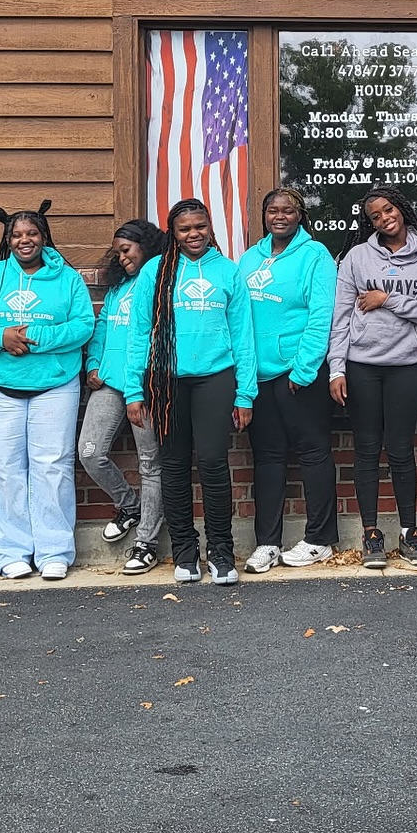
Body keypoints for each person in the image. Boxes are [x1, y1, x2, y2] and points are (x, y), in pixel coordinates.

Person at [123, 198, 257, 586]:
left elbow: (243, 337)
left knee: (214, 464)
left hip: (216, 378)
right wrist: (134, 390)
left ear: (209, 228)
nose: (193, 234)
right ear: (174, 233)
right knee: (175, 465)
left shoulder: (229, 273)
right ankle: (184, 552)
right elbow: (138, 333)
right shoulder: (154, 273)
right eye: (185, 229)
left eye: (200, 226)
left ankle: (221, 552)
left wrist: (244, 393)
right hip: (165, 381)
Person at [0, 200, 94, 581]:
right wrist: (0, 336)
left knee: (52, 467)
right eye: (16, 235)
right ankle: (11, 551)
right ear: (7, 239)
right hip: (0, 386)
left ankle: (55, 550)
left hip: (55, 385)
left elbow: (84, 325)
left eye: (31, 233)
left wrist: (36, 337)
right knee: (6, 470)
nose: (24, 240)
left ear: (44, 237)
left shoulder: (67, 278)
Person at [329, 186, 417, 571]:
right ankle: (371, 534)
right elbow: (341, 317)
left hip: (407, 366)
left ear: (402, 208)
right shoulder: (357, 258)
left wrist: (388, 299)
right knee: (366, 449)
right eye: (375, 215)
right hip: (362, 365)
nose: (384, 218)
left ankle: (410, 532)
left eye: (388, 209)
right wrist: (337, 368)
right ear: (370, 222)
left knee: (400, 449)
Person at [239, 188, 339, 572]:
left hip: (299, 374)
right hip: (259, 375)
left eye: (288, 210)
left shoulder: (315, 255)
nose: (279, 216)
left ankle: (320, 539)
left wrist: (304, 368)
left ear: (300, 215)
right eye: (272, 210)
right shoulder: (250, 258)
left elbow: (321, 314)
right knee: (267, 458)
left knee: (313, 453)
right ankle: (267, 543)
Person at [78, 219, 167, 576]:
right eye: (117, 253)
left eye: (126, 250)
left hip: (145, 386)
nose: (122, 258)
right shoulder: (118, 287)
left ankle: (146, 542)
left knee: (150, 463)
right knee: (90, 452)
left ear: (146, 246)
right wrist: (94, 363)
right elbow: (101, 327)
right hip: (111, 383)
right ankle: (129, 505)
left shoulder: (162, 281)